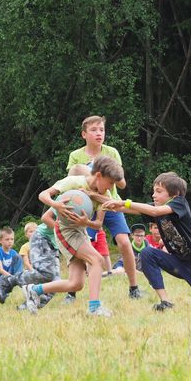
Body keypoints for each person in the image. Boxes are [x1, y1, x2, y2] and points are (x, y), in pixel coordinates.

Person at [102, 172, 191, 311]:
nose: (154, 195)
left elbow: (152, 211)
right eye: (154, 191)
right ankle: (165, 301)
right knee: (147, 253)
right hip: (177, 262)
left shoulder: (180, 203)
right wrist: (114, 205)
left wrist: (125, 202)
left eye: (159, 191)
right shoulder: (157, 208)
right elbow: (137, 210)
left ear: (175, 194)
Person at [12, 155, 123, 316]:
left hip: (81, 231)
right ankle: (94, 308)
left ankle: (34, 290)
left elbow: (98, 224)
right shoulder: (74, 182)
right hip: (65, 230)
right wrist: (55, 204)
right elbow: (43, 195)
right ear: (99, 175)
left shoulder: (104, 195)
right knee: (97, 260)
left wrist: (87, 222)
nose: (111, 187)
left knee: (76, 284)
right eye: (110, 183)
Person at [67, 115, 142, 299]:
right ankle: (71, 293)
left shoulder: (111, 152)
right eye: (93, 130)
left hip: (110, 202)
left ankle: (134, 288)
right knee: (81, 247)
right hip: (87, 205)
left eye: (101, 130)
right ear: (84, 134)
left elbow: (122, 184)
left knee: (124, 242)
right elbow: (71, 181)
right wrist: (87, 171)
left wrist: (110, 173)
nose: (99, 133)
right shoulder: (75, 156)